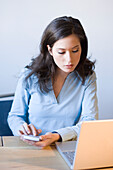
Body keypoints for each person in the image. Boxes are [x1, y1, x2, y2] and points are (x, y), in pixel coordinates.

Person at [8, 16, 98, 148]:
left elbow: (89, 122)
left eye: (75, 51)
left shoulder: (87, 76)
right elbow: (15, 116)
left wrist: (58, 135)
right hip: (31, 146)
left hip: (66, 146)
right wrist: (22, 130)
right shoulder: (30, 75)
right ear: (50, 50)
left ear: (82, 48)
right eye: (61, 52)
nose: (69, 60)